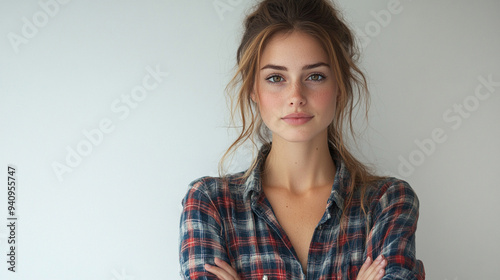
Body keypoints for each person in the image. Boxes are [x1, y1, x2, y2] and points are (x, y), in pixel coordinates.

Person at [179, 0, 425, 279]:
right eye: (275, 78)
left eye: (315, 76)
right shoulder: (209, 204)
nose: (296, 95)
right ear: (252, 89)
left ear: (340, 87)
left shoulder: (387, 203)